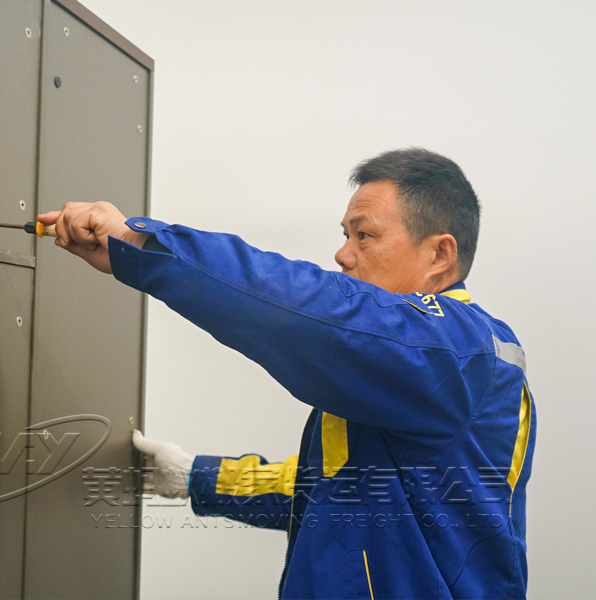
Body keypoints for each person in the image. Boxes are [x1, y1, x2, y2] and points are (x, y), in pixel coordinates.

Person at [39, 148, 535, 599]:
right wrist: (195, 477)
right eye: (345, 235)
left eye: (364, 235)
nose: (343, 254)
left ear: (439, 255)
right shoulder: (419, 363)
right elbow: (332, 487)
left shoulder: (458, 351)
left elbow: (308, 307)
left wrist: (138, 244)